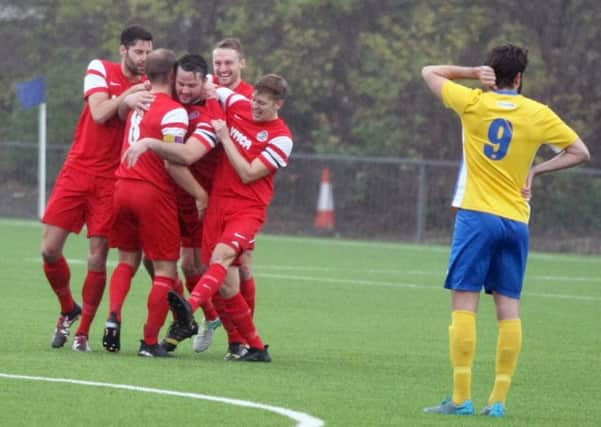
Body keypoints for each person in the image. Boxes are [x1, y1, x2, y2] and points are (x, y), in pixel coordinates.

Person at [421, 44, 590, 416]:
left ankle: (462, 399)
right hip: (516, 220)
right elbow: (580, 151)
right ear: (520, 78)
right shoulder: (538, 113)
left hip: (477, 216)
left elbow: (429, 71)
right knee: (508, 307)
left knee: (464, 303)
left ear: (491, 74)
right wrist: (535, 171)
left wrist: (469, 71)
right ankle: (497, 402)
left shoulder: (473, 103)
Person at [124, 73, 293, 362]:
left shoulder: (281, 138)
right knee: (226, 284)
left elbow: (248, 172)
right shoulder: (240, 103)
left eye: (262, 104)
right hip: (218, 206)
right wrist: (135, 93)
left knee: (222, 258)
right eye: (254, 100)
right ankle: (254, 346)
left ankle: (188, 308)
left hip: (247, 209)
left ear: (278, 104)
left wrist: (225, 137)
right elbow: (209, 85)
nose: (254, 107)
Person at [41, 25, 153, 352]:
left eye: (148, 52)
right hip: (78, 169)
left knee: (98, 257)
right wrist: (126, 97)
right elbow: (100, 112)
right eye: (138, 52)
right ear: (123, 50)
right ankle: (67, 308)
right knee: (49, 250)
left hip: (112, 179)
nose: (144, 58)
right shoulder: (99, 68)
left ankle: (83, 333)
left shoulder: (151, 86)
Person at [104, 48, 207, 357]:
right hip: (152, 192)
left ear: (146, 75)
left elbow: (121, 112)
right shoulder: (173, 111)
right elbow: (172, 162)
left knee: (126, 261)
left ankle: (113, 318)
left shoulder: (138, 104)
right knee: (165, 270)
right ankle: (149, 342)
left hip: (121, 187)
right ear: (174, 76)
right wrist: (201, 193)